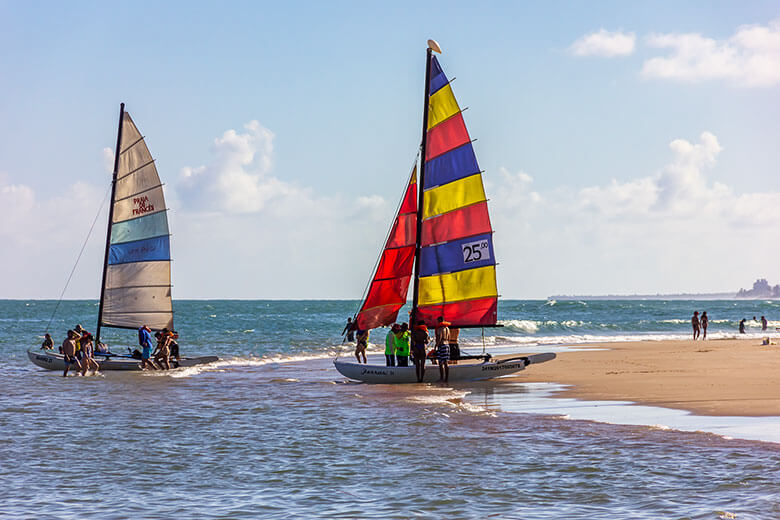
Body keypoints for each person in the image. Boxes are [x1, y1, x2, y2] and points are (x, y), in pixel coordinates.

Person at [435, 317, 451, 382]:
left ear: (439, 321)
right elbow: (449, 338)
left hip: (442, 345)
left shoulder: (440, 328)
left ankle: (441, 378)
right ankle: (446, 378)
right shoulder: (447, 328)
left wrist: (436, 345)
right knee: (446, 362)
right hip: (447, 345)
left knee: (440, 362)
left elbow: (440, 337)